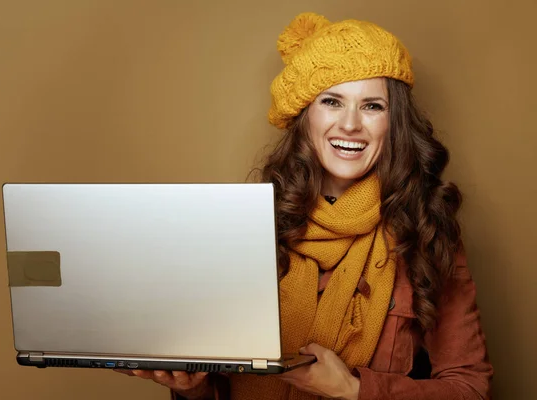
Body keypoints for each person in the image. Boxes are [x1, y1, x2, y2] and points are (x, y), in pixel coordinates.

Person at [114, 12, 494, 400]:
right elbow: (219, 384)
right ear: (305, 115)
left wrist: (352, 388)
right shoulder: (246, 227)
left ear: (394, 121)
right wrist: (193, 388)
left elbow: (470, 388)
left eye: (372, 106)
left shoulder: (426, 230)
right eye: (332, 101)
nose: (350, 124)